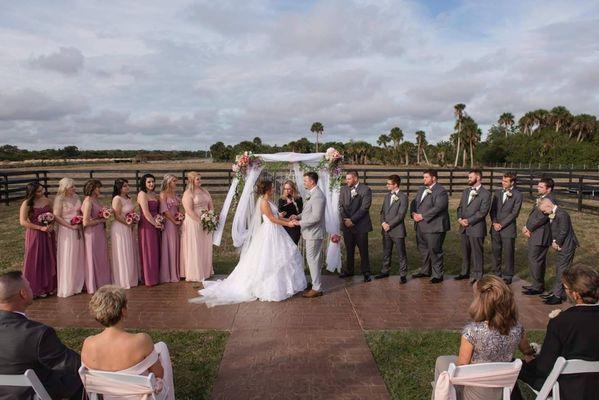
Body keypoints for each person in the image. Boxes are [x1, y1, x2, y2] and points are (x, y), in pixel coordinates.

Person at [190, 180, 306, 306]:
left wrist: (286, 218)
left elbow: (276, 216)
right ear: (267, 189)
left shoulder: (269, 200)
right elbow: (271, 219)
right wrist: (288, 224)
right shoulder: (264, 202)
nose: (274, 189)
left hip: (276, 231)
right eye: (272, 188)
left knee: (281, 256)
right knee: (268, 258)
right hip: (270, 232)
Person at [434, 275, 534, 400]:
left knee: (442, 364)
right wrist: (531, 352)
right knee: (442, 360)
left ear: (480, 302)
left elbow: (461, 370)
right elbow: (527, 350)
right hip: (503, 389)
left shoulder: (472, 332)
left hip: (475, 393)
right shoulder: (517, 328)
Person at [513, 265, 599, 400]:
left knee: (516, 366)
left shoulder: (561, 322)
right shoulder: (563, 320)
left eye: (566, 289)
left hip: (565, 387)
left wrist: (532, 358)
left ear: (576, 294)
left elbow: (543, 367)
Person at [81, 285, 174, 399]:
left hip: (108, 396)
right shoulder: (141, 341)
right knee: (162, 347)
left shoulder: (89, 344)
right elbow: (159, 374)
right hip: (142, 397)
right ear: (123, 311)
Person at [0, 271, 83, 399]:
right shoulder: (37, 333)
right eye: (28, 285)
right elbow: (72, 365)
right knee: (80, 378)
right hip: (30, 394)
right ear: (23, 293)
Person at [411, 169, 450, 284]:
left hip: (434, 226)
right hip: (420, 226)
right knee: (423, 249)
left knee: (434, 250)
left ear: (434, 178)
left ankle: (438, 274)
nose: (424, 179)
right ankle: (425, 270)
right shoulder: (421, 189)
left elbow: (439, 207)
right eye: (423, 177)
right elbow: (414, 202)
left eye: (426, 177)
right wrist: (413, 213)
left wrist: (422, 216)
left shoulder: (441, 191)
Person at [537, 198, 579, 305]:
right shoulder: (554, 213)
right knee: (559, 269)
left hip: (566, 246)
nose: (544, 213)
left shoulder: (562, 214)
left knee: (562, 270)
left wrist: (557, 243)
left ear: (548, 206)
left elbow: (563, 230)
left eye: (544, 211)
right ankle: (557, 292)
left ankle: (558, 296)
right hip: (561, 245)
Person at [19, 182, 57, 298]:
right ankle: (34, 288)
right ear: (32, 192)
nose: (42, 192)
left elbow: (53, 215)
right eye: (39, 191)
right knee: (34, 259)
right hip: (35, 234)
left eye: (42, 190)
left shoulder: (47, 201)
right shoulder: (27, 204)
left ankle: (49, 286)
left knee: (48, 258)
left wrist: (51, 224)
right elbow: (23, 221)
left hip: (48, 234)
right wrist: (40, 227)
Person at [291, 172, 325, 298]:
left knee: (313, 260)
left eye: (305, 180)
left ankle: (317, 288)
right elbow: (308, 212)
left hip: (314, 233)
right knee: (312, 260)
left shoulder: (318, 196)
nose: (304, 182)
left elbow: (316, 217)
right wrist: (297, 216)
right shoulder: (311, 194)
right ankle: (316, 283)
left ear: (312, 181)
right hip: (309, 233)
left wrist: (299, 223)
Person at [455, 169, 491, 284]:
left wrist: (469, 221)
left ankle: (478, 275)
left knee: (477, 252)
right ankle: (465, 272)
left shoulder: (486, 194)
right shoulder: (466, 191)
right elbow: (460, 207)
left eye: (471, 177)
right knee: (465, 252)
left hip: (476, 228)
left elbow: (483, 212)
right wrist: (460, 219)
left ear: (478, 178)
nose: (468, 179)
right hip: (463, 227)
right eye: (468, 177)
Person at [522, 177, 556, 296]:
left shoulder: (550, 200)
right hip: (535, 233)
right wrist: (526, 226)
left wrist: (529, 228)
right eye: (538, 186)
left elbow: (542, 218)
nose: (538, 188)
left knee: (535, 260)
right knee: (534, 260)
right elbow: (534, 215)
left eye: (541, 187)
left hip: (541, 234)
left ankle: (537, 286)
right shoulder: (542, 198)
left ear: (549, 189)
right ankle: (536, 284)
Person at [339, 170, 373, 282]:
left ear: (355, 178)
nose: (346, 181)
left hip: (361, 225)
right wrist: (346, 220)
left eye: (349, 179)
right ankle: (349, 270)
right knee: (349, 249)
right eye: (346, 179)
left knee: (363, 249)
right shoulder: (344, 189)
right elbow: (341, 206)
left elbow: (364, 207)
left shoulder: (365, 189)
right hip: (347, 225)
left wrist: (352, 220)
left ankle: (366, 272)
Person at [53, 178, 85, 298]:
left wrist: (80, 220)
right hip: (67, 230)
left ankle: (78, 283)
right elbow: (56, 216)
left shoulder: (77, 197)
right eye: (72, 187)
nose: (74, 188)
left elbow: (80, 212)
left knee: (78, 255)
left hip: (78, 228)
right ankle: (68, 285)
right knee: (68, 255)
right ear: (65, 188)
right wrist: (70, 226)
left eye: (74, 186)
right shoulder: (59, 199)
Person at [489, 172, 523, 285]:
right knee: (495, 251)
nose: (502, 183)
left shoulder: (518, 195)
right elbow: (492, 209)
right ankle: (496, 273)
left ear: (512, 182)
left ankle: (508, 275)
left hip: (508, 229)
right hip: (495, 227)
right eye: (502, 180)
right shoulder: (497, 192)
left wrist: (502, 224)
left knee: (508, 253)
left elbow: (514, 213)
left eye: (505, 181)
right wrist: (494, 222)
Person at [180, 171, 214, 282]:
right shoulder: (188, 193)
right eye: (197, 179)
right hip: (193, 222)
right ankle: (195, 272)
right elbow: (189, 210)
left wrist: (210, 218)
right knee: (195, 246)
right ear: (191, 181)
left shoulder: (205, 191)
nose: (200, 181)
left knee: (205, 245)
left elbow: (211, 206)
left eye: (200, 178)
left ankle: (205, 271)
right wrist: (200, 221)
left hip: (206, 222)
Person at [82, 179, 112, 294]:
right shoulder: (88, 201)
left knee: (101, 256)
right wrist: (101, 220)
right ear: (93, 189)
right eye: (98, 188)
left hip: (100, 232)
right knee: (93, 257)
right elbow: (85, 222)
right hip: (92, 234)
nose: (100, 190)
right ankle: (93, 284)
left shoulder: (96, 200)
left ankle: (102, 281)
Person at [377, 175, 408, 284]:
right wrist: (383, 223)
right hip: (385, 230)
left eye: (389, 184)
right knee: (386, 251)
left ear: (395, 185)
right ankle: (385, 271)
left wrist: (389, 224)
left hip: (397, 230)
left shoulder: (403, 197)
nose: (387, 186)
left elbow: (401, 215)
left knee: (401, 253)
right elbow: (382, 212)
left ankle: (403, 274)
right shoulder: (386, 197)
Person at [111, 178, 140, 289]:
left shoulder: (128, 198)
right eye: (124, 186)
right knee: (122, 251)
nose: (127, 187)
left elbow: (131, 212)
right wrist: (128, 223)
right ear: (119, 188)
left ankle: (131, 277)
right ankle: (123, 279)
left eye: (128, 185)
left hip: (129, 227)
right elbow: (117, 215)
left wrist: (134, 219)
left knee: (130, 250)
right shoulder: (117, 199)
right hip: (120, 228)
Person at [137, 174, 161, 286]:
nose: (151, 184)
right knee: (149, 251)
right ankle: (149, 278)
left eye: (153, 181)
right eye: (149, 182)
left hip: (156, 222)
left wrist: (160, 220)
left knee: (156, 250)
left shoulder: (153, 194)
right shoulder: (142, 194)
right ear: (144, 183)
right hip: (147, 225)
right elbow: (146, 213)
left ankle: (156, 276)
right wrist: (155, 224)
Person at [159, 174, 181, 283]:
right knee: (171, 245)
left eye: (176, 181)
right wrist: (174, 221)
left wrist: (180, 217)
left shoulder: (174, 194)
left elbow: (178, 208)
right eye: (174, 181)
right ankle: (169, 274)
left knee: (176, 246)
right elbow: (165, 211)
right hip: (169, 223)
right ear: (168, 182)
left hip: (176, 223)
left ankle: (176, 272)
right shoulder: (163, 194)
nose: (176, 183)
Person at [278, 180, 303, 245]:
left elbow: (301, 212)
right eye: (285, 189)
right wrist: (282, 212)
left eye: (289, 189)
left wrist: (294, 204)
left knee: (294, 246)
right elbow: (280, 212)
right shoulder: (281, 199)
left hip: (295, 225)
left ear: (293, 188)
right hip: (285, 225)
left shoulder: (298, 199)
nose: (287, 190)